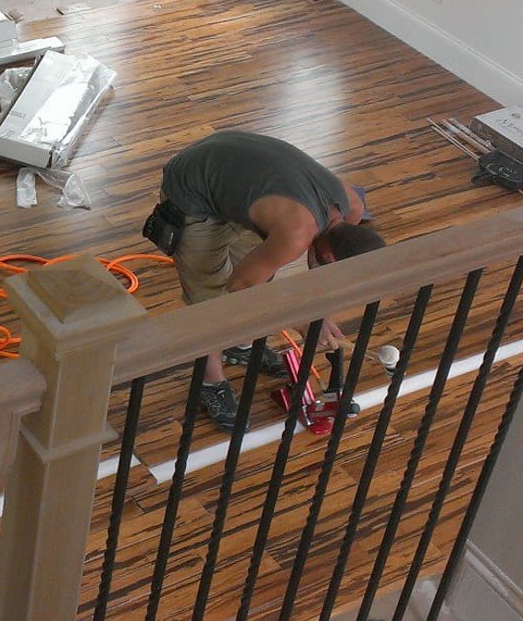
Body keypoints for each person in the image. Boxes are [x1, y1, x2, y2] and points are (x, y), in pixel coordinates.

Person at [154, 131, 386, 430]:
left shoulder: (350, 207)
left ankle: (239, 344)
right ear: (331, 255)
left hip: (233, 168)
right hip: (193, 188)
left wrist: (319, 311)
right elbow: (240, 285)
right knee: (209, 298)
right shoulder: (297, 232)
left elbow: (313, 266)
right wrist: (300, 319)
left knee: (260, 268)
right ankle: (209, 382)